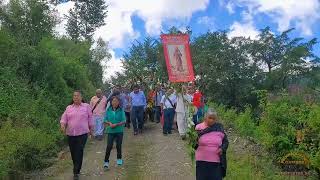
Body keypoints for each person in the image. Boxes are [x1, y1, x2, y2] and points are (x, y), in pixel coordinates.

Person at [60, 90, 93, 179]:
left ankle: (76, 172)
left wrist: (91, 129)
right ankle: (77, 168)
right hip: (70, 134)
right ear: (73, 98)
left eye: (78, 96)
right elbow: (64, 118)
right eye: (74, 96)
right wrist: (63, 125)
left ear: (81, 97)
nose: (76, 97)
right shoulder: (69, 108)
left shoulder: (86, 106)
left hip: (82, 134)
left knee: (79, 151)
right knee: (73, 153)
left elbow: (90, 118)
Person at [195, 109, 229, 180]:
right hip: (202, 161)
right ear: (205, 117)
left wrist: (222, 149)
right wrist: (194, 142)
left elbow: (225, 142)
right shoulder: (198, 127)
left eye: (214, 119)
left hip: (216, 162)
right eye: (210, 118)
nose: (211, 120)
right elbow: (193, 144)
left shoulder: (219, 128)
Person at [103, 96, 126, 170]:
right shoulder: (108, 110)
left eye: (116, 101)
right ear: (111, 102)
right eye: (113, 101)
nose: (114, 102)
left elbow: (124, 120)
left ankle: (119, 159)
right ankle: (106, 162)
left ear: (118, 102)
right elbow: (105, 119)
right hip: (110, 131)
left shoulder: (121, 110)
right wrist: (109, 123)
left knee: (118, 145)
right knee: (109, 146)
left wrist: (117, 124)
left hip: (119, 130)